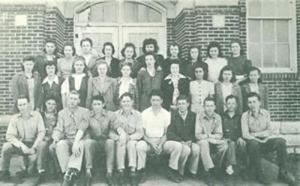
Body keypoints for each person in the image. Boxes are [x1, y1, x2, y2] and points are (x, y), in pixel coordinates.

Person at [241, 92, 295, 185]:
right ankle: (259, 174)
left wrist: (260, 136)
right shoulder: (245, 116)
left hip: (265, 140)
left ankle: (283, 172)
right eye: (249, 102)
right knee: (254, 143)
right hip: (252, 144)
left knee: (281, 141)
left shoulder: (266, 113)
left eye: (254, 101)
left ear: (259, 103)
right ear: (247, 104)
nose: (252, 104)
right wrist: (258, 138)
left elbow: (269, 130)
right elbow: (245, 134)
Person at [0, 96, 46, 185]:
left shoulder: (37, 115)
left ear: (29, 104)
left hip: (34, 143)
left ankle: (41, 172)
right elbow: (9, 135)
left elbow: (41, 132)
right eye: (20, 105)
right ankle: (4, 172)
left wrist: (34, 146)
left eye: (24, 104)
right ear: (17, 106)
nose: (22, 107)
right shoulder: (15, 118)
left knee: (43, 144)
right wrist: (22, 146)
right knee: (6, 146)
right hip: (21, 144)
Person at [51, 91, 90, 185]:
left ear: (79, 101)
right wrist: (55, 139)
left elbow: (82, 128)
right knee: (60, 144)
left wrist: (76, 142)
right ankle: (68, 172)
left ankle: (69, 176)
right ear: (67, 100)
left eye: (75, 99)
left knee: (79, 145)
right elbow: (59, 128)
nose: (72, 101)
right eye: (71, 98)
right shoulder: (62, 113)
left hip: (81, 138)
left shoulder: (85, 111)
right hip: (67, 139)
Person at [109, 93, 143, 186]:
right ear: (120, 103)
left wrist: (130, 138)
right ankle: (121, 172)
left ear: (132, 102)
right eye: (124, 101)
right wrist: (118, 138)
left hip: (132, 138)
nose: (126, 103)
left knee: (131, 144)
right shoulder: (115, 114)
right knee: (121, 144)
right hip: (120, 139)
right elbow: (110, 132)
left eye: (128, 101)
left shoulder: (137, 114)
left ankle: (132, 171)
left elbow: (140, 132)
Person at [136, 90, 170, 183]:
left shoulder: (166, 114)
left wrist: (160, 143)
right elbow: (142, 133)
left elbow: (167, 133)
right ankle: (141, 171)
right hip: (148, 141)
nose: (155, 102)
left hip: (162, 141)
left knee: (176, 146)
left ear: (161, 101)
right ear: (150, 101)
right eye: (153, 100)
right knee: (140, 146)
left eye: (157, 100)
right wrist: (151, 142)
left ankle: (173, 171)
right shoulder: (144, 113)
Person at [164, 95, 200, 183]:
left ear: (188, 104)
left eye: (183, 103)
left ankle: (192, 171)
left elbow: (195, 131)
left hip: (190, 140)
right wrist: (181, 141)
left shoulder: (193, 116)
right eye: (179, 104)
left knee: (196, 149)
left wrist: (190, 140)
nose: (181, 106)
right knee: (186, 150)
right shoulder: (173, 116)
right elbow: (170, 132)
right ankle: (180, 171)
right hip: (178, 141)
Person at [83, 95, 116, 186]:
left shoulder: (110, 114)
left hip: (105, 141)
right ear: (92, 105)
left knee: (110, 142)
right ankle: (88, 173)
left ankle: (109, 173)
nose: (97, 106)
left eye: (99, 104)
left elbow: (114, 127)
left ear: (103, 104)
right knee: (87, 142)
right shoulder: (88, 115)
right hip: (94, 141)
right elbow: (83, 128)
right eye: (94, 104)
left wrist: (119, 135)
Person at [195, 97, 228, 186]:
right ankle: (208, 172)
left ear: (215, 107)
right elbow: (198, 135)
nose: (209, 108)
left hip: (213, 140)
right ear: (204, 107)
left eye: (211, 106)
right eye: (207, 106)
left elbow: (219, 134)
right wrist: (209, 138)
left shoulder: (218, 117)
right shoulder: (199, 116)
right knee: (205, 143)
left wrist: (210, 137)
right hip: (201, 141)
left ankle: (216, 169)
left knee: (224, 146)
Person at [221, 95, 247, 180]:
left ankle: (243, 168)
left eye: (233, 103)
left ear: (236, 105)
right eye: (229, 103)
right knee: (231, 144)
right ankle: (230, 170)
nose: (231, 105)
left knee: (242, 144)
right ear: (225, 104)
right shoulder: (221, 116)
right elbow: (219, 130)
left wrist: (240, 137)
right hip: (225, 141)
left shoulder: (240, 117)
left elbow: (243, 130)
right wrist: (223, 139)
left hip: (237, 141)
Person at [39, 95, 61, 182]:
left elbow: (60, 128)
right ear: (45, 104)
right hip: (44, 138)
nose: (51, 106)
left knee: (53, 148)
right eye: (49, 103)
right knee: (42, 145)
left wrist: (54, 138)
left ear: (56, 106)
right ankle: (41, 171)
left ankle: (58, 170)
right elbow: (38, 129)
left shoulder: (59, 115)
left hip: (55, 138)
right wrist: (43, 137)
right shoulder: (40, 115)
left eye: (53, 104)